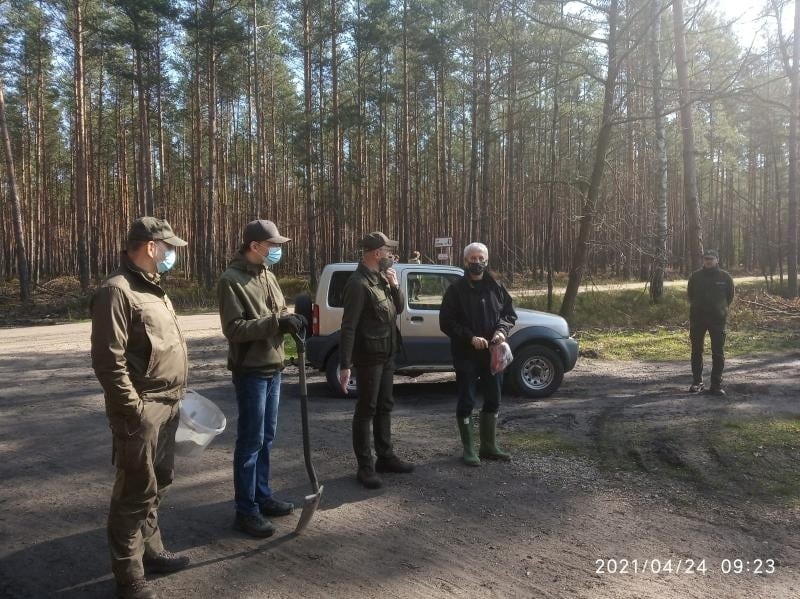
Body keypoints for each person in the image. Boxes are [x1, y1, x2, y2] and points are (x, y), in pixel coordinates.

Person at [91, 217, 191, 599]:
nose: (171, 255)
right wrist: (133, 409)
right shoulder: (117, 291)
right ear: (151, 247)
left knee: (159, 482)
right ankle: (129, 577)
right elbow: (108, 361)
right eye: (168, 248)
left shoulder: (154, 289)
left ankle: (153, 551)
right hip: (142, 409)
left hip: (169, 403)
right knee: (135, 491)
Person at [218, 220, 305, 537]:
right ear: (255, 246)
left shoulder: (268, 274)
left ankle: (262, 495)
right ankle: (246, 510)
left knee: (267, 438)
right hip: (251, 370)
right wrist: (276, 322)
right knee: (250, 441)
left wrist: (293, 341)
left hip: (274, 367)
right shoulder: (231, 280)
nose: (277, 251)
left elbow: (281, 314)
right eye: (273, 246)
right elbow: (234, 329)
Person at [339, 232, 415, 489]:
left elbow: (400, 308)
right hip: (368, 356)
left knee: (385, 405)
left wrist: (394, 286)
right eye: (388, 251)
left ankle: (385, 457)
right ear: (375, 253)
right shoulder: (357, 283)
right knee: (366, 409)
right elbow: (348, 327)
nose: (392, 255)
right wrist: (345, 364)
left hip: (387, 353)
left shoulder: (381, 278)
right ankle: (365, 467)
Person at [439, 242, 517, 466]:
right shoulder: (455, 290)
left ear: (487, 260)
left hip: (493, 353)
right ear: (465, 261)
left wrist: (502, 331)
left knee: (494, 398)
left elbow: (509, 314)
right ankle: (469, 449)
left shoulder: (497, 286)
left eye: (480, 258)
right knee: (467, 400)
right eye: (472, 258)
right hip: (466, 354)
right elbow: (446, 322)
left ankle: (489, 446)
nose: (477, 262)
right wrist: (469, 338)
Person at [687, 249, 735, 396]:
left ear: (717, 260)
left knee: (718, 353)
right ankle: (697, 382)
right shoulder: (695, 277)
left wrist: (720, 311)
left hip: (717, 320)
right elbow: (690, 295)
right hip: (698, 319)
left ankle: (716, 385)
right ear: (703, 260)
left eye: (711, 259)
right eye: (706, 258)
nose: (708, 261)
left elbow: (729, 297)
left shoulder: (725, 277)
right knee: (696, 351)